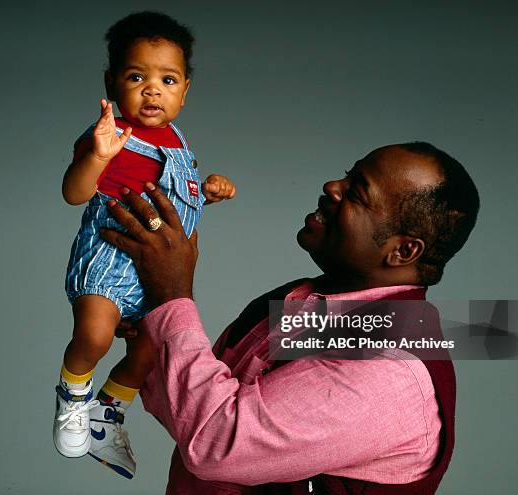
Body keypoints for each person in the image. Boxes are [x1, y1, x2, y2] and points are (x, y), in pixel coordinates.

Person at [98, 142, 479, 494]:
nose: (332, 186)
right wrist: (152, 319)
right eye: (347, 173)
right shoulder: (304, 300)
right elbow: (194, 410)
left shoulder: (388, 367)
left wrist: (172, 296)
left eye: (357, 192)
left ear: (403, 251)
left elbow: (216, 442)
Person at [53, 11, 236, 479]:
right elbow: (74, 193)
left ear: (185, 89)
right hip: (110, 257)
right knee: (94, 336)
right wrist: (96, 156)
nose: (152, 89)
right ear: (112, 82)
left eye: (167, 79)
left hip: (157, 272)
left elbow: (174, 205)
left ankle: (106, 413)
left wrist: (208, 190)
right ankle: (73, 399)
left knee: (152, 352)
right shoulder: (108, 137)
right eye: (137, 77)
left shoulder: (178, 141)